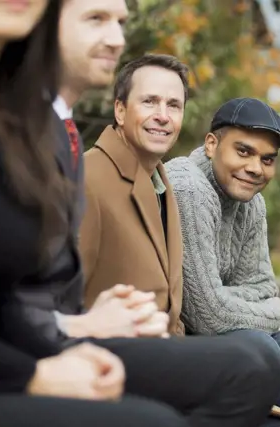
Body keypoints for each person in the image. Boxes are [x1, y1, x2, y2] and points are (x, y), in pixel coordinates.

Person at [0, 1, 280, 427]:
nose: (116, 38)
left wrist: (55, 348)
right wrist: (40, 366)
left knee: (251, 368)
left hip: (3, 350)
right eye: (95, 19)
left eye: (121, 23)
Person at [166, 97, 280, 427]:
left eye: (267, 160)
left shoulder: (252, 202)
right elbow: (206, 314)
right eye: (244, 152)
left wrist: (227, 296)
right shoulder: (189, 187)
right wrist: (241, 301)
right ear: (211, 144)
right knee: (261, 346)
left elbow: (264, 288)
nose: (256, 168)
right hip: (171, 338)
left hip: (214, 333)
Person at [78, 53, 188, 334]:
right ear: (120, 110)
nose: (163, 116)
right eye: (149, 101)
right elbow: (62, 299)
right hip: (109, 356)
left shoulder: (161, 182)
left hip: (162, 354)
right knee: (254, 356)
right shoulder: (86, 177)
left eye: (173, 105)